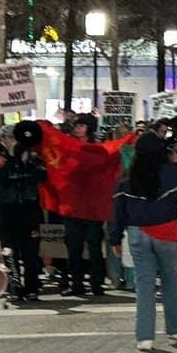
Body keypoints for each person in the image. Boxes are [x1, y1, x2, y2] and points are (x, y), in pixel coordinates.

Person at [110, 133, 177, 350]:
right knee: (170, 281)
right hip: (166, 231)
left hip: (137, 233)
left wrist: (115, 238)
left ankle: (145, 337)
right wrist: (176, 163)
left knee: (144, 285)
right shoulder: (169, 173)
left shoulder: (126, 179)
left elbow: (118, 212)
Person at [0, 138, 47, 301]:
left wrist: (30, 163)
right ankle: (15, 286)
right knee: (10, 253)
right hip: (8, 215)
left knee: (31, 254)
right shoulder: (2, 166)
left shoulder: (33, 167)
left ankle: (32, 288)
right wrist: (13, 161)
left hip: (29, 216)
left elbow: (42, 176)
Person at [63, 114, 107, 296]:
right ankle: (76, 283)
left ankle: (97, 283)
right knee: (74, 246)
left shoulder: (98, 149)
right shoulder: (68, 147)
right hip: (73, 205)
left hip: (91, 206)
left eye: (81, 125)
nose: (77, 128)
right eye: (76, 125)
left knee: (94, 246)